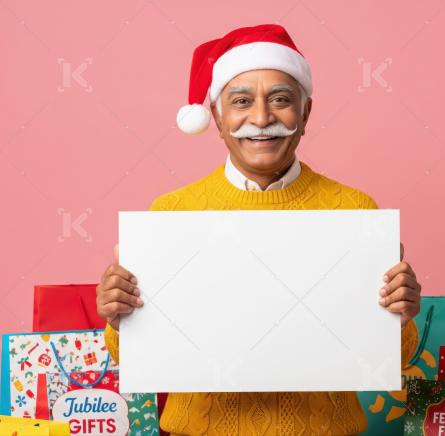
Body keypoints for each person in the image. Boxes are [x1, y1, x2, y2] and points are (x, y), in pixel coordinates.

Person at [94, 24, 422, 435]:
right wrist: (117, 317)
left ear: (305, 113)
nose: (262, 118)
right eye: (242, 101)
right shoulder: (172, 213)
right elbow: (139, 356)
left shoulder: (354, 211)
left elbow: (396, 355)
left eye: (281, 100)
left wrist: (402, 314)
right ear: (216, 115)